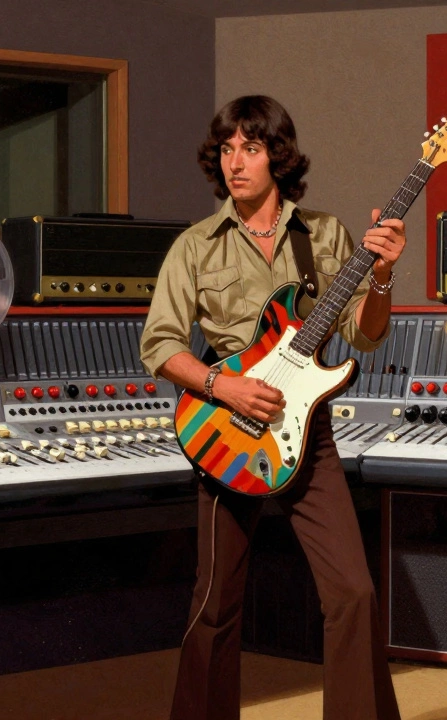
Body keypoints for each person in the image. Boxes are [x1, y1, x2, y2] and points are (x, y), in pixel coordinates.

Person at [140, 95, 406, 720]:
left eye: (251, 148)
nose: (235, 162)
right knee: (215, 603)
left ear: (278, 157)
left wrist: (383, 275)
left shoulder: (325, 235)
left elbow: (365, 334)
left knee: (354, 594)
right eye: (226, 149)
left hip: (306, 431)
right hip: (227, 431)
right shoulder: (196, 246)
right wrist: (222, 386)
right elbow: (160, 345)